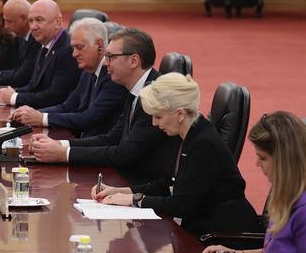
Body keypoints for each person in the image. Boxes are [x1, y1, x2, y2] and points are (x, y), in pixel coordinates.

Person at [93, 73, 260, 238]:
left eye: (158, 116)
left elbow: (181, 205)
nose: (154, 123)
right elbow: (167, 183)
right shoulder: (184, 133)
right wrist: (119, 191)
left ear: (180, 114)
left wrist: (134, 200)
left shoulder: (203, 144)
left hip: (223, 233)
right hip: (202, 227)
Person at [29, 27, 179, 185]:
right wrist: (59, 145)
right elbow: (111, 138)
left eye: (110, 57)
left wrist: (63, 154)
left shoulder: (155, 96)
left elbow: (123, 154)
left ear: (134, 61)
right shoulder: (136, 89)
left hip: (145, 187)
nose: (105, 62)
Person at [199, 112, 306, 253]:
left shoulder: (303, 207)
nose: (257, 164)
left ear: (284, 160)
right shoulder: (286, 196)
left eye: (263, 158)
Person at [10, 18, 127, 138]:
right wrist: (34, 113)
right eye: (73, 48)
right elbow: (68, 106)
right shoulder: (88, 71)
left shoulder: (113, 76)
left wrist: (42, 118)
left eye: (80, 47)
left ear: (99, 45)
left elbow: (90, 118)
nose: (74, 54)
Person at [0, 0, 80, 109]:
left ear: (57, 22)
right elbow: (34, 85)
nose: (33, 27)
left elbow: (56, 96)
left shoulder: (67, 49)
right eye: (31, 21)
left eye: (39, 20)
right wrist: (12, 92)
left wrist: (15, 97)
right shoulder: (44, 44)